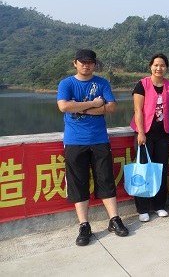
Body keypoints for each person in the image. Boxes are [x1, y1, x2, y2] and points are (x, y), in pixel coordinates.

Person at [57, 49, 128, 246]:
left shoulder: (102, 83)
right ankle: (84, 225)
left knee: (106, 179)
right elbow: (63, 107)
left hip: (99, 139)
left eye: (89, 62)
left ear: (94, 64)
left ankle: (114, 220)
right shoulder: (66, 83)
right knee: (78, 182)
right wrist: (94, 104)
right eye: (82, 62)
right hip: (74, 141)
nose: (85, 65)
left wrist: (79, 107)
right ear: (75, 63)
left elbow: (111, 107)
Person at [130, 53, 169, 222]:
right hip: (145, 134)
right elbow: (137, 110)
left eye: (162, 65)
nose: (159, 68)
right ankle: (142, 208)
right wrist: (141, 132)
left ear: (166, 68)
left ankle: (159, 205)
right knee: (143, 171)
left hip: (163, 134)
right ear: (151, 67)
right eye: (156, 65)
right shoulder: (142, 84)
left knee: (160, 171)